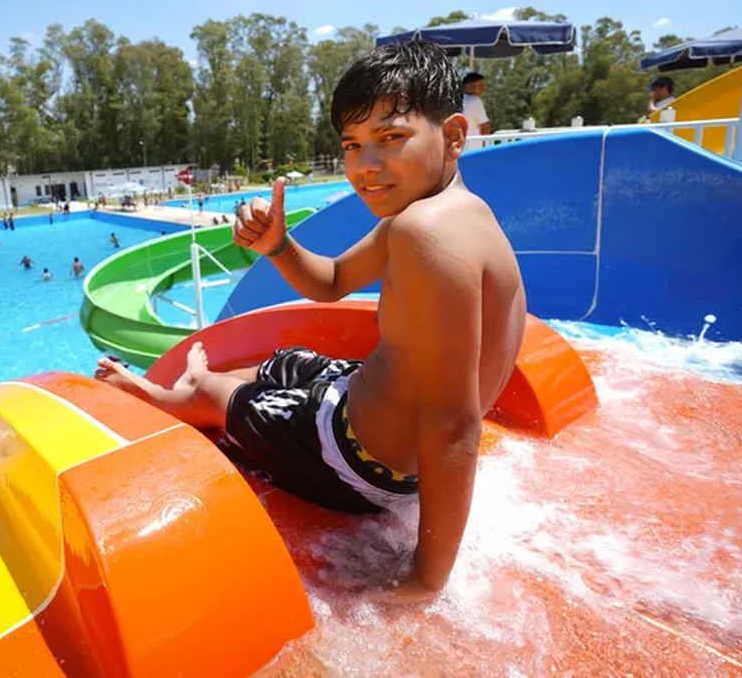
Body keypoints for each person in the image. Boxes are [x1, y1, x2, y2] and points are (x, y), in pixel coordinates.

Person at [95, 40, 527, 602]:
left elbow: (454, 423)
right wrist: (278, 246)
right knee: (285, 362)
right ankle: (250, 383)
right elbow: (330, 281)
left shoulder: (426, 235)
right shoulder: (445, 212)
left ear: (451, 137)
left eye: (390, 138)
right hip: (363, 399)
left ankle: (181, 394)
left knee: (218, 392)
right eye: (352, 144)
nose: (365, 166)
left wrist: (426, 579)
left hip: (355, 461)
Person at [461, 71, 492, 138]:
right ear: (468, 86)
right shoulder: (475, 101)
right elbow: (485, 127)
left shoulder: (452, 101)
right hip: (473, 147)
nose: (483, 89)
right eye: (480, 86)